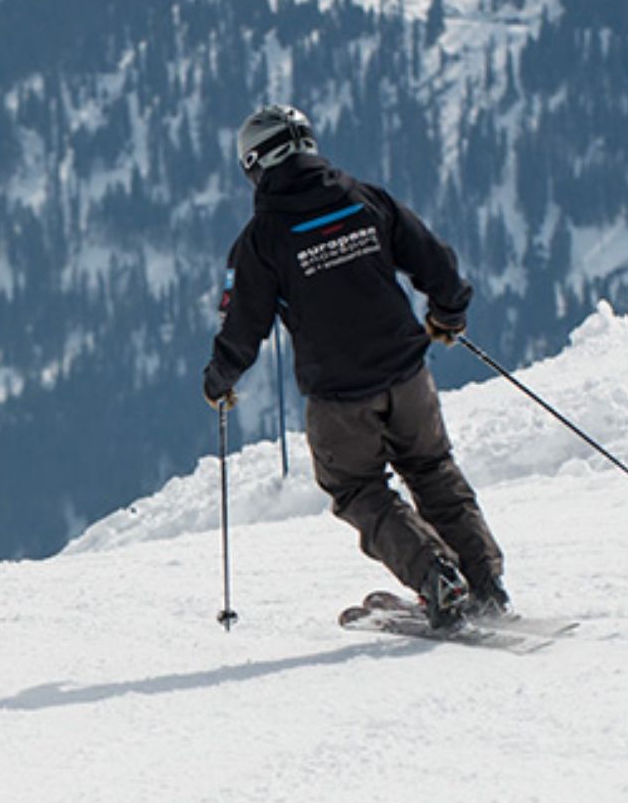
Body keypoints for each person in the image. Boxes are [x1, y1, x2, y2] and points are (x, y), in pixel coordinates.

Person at [201, 105, 506, 627]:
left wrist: (220, 380)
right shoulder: (366, 199)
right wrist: (448, 314)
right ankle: (483, 582)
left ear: (254, 162)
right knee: (432, 470)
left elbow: (244, 324)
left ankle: (438, 579)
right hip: (409, 374)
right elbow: (435, 261)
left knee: (359, 489)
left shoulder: (261, 239)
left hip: (340, 394)